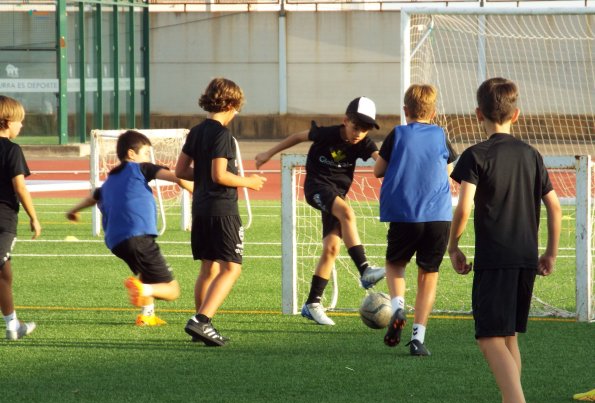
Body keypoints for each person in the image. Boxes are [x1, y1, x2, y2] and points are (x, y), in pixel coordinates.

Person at [448, 78, 561, 403]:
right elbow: (555, 206)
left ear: (478, 113)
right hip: (526, 257)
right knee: (508, 336)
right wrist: (550, 252)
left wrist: (454, 246)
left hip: (495, 258)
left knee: (488, 337)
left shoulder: (476, 155)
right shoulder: (532, 155)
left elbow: (464, 206)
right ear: (517, 113)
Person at [255, 97, 385, 326]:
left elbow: (379, 160)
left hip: (336, 195)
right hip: (316, 188)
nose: (359, 133)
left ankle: (312, 303)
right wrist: (268, 153)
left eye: (364, 130)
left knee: (332, 247)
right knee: (347, 213)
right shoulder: (327, 134)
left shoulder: (364, 143)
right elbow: (297, 137)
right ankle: (365, 270)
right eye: (356, 127)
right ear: (346, 121)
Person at [66, 130, 193, 327]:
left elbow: (93, 197)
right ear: (131, 154)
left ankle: (147, 316)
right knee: (171, 290)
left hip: (116, 242)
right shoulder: (142, 168)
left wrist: (73, 211)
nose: (148, 158)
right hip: (138, 237)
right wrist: (198, 191)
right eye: (145, 153)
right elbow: (177, 177)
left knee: (146, 273)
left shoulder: (110, 180)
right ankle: (144, 291)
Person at [175, 78, 266, 346]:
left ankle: (200, 324)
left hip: (201, 208)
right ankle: (201, 321)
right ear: (229, 104)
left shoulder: (196, 131)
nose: (236, 113)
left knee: (208, 267)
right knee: (231, 268)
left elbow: (181, 171)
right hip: (222, 210)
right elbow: (220, 175)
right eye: (236, 107)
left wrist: (202, 178)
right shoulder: (222, 134)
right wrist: (249, 181)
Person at [373, 84, 456, 356]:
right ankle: (418, 338)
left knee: (395, 265)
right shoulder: (441, 135)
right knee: (428, 275)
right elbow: (448, 168)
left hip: (404, 213)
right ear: (433, 112)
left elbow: (378, 171)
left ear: (405, 110)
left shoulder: (397, 134)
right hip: (438, 216)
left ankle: (397, 305)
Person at [0, 95, 41, 340]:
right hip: (3, 221)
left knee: (5, 274)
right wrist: (34, 217)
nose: (21, 126)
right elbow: (20, 187)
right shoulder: (12, 150)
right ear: (6, 122)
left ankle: (13, 324)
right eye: (19, 121)